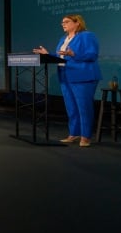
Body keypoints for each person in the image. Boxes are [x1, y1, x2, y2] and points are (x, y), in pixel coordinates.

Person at [33, 14, 101, 147]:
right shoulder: (64, 38)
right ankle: (74, 133)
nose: (62, 24)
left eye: (66, 21)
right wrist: (47, 55)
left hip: (83, 76)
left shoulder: (87, 35)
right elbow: (62, 57)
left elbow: (92, 54)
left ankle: (86, 136)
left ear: (77, 23)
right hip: (65, 76)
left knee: (84, 107)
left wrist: (74, 54)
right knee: (71, 107)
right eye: (62, 22)